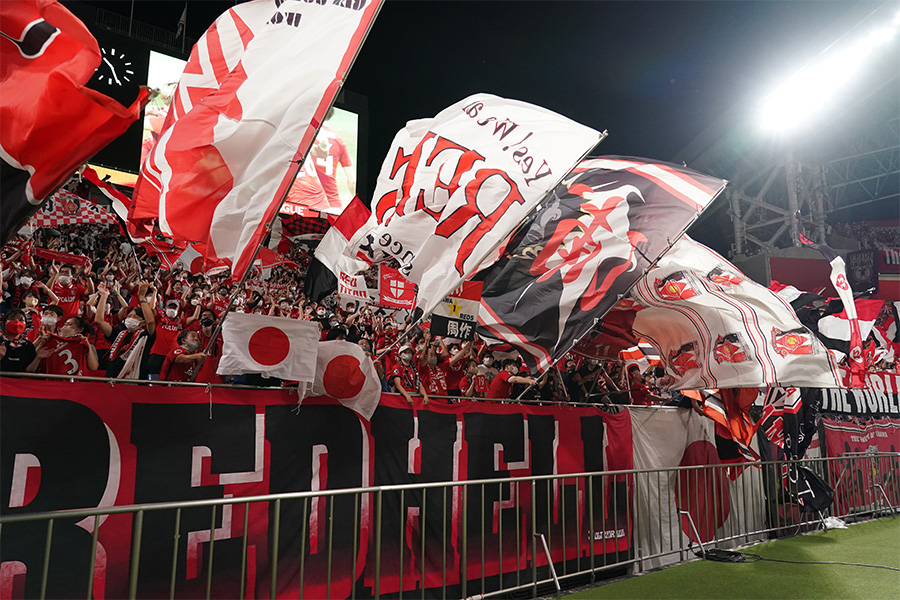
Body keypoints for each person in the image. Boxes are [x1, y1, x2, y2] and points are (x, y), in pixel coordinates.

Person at [95, 281, 156, 378]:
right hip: (113, 377)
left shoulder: (146, 335)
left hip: (135, 380)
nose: (131, 318)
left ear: (143, 322)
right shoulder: (119, 334)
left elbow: (151, 322)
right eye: (129, 316)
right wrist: (104, 296)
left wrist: (141, 298)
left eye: (135, 317)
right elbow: (99, 321)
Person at [35, 316, 100, 376]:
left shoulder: (85, 345)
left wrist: (87, 344)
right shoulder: (50, 341)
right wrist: (41, 341)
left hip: (75, 382)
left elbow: (93, 367)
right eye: (64, 324)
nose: (63, 327)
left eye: (69, 324)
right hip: (53, 381)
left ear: (79, 330)